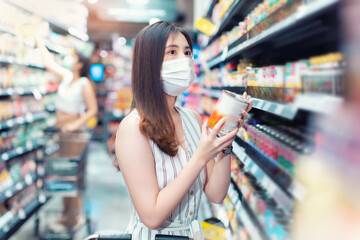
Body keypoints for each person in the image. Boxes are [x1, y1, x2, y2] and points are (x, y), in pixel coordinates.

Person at [115, 21, 252, 239]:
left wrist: (226, 140)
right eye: (172, 51)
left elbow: (216, 194)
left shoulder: (192, 119)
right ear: (149, 63)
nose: (185, 60)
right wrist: (200, 156)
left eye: (187, 52)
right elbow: (151, 216)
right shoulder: (133, 128)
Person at [36, 35, 98, 231]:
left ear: (80, 64)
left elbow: (92, 109)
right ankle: (66, 215)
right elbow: (48, 63)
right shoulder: (67, 77)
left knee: (70, 174)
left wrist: (75, 124)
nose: (69, 59)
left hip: (74, 134)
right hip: (61, 131)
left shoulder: (84, 84)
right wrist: (38, 38)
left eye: (73, 57)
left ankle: (74, 217)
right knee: (64, 173)